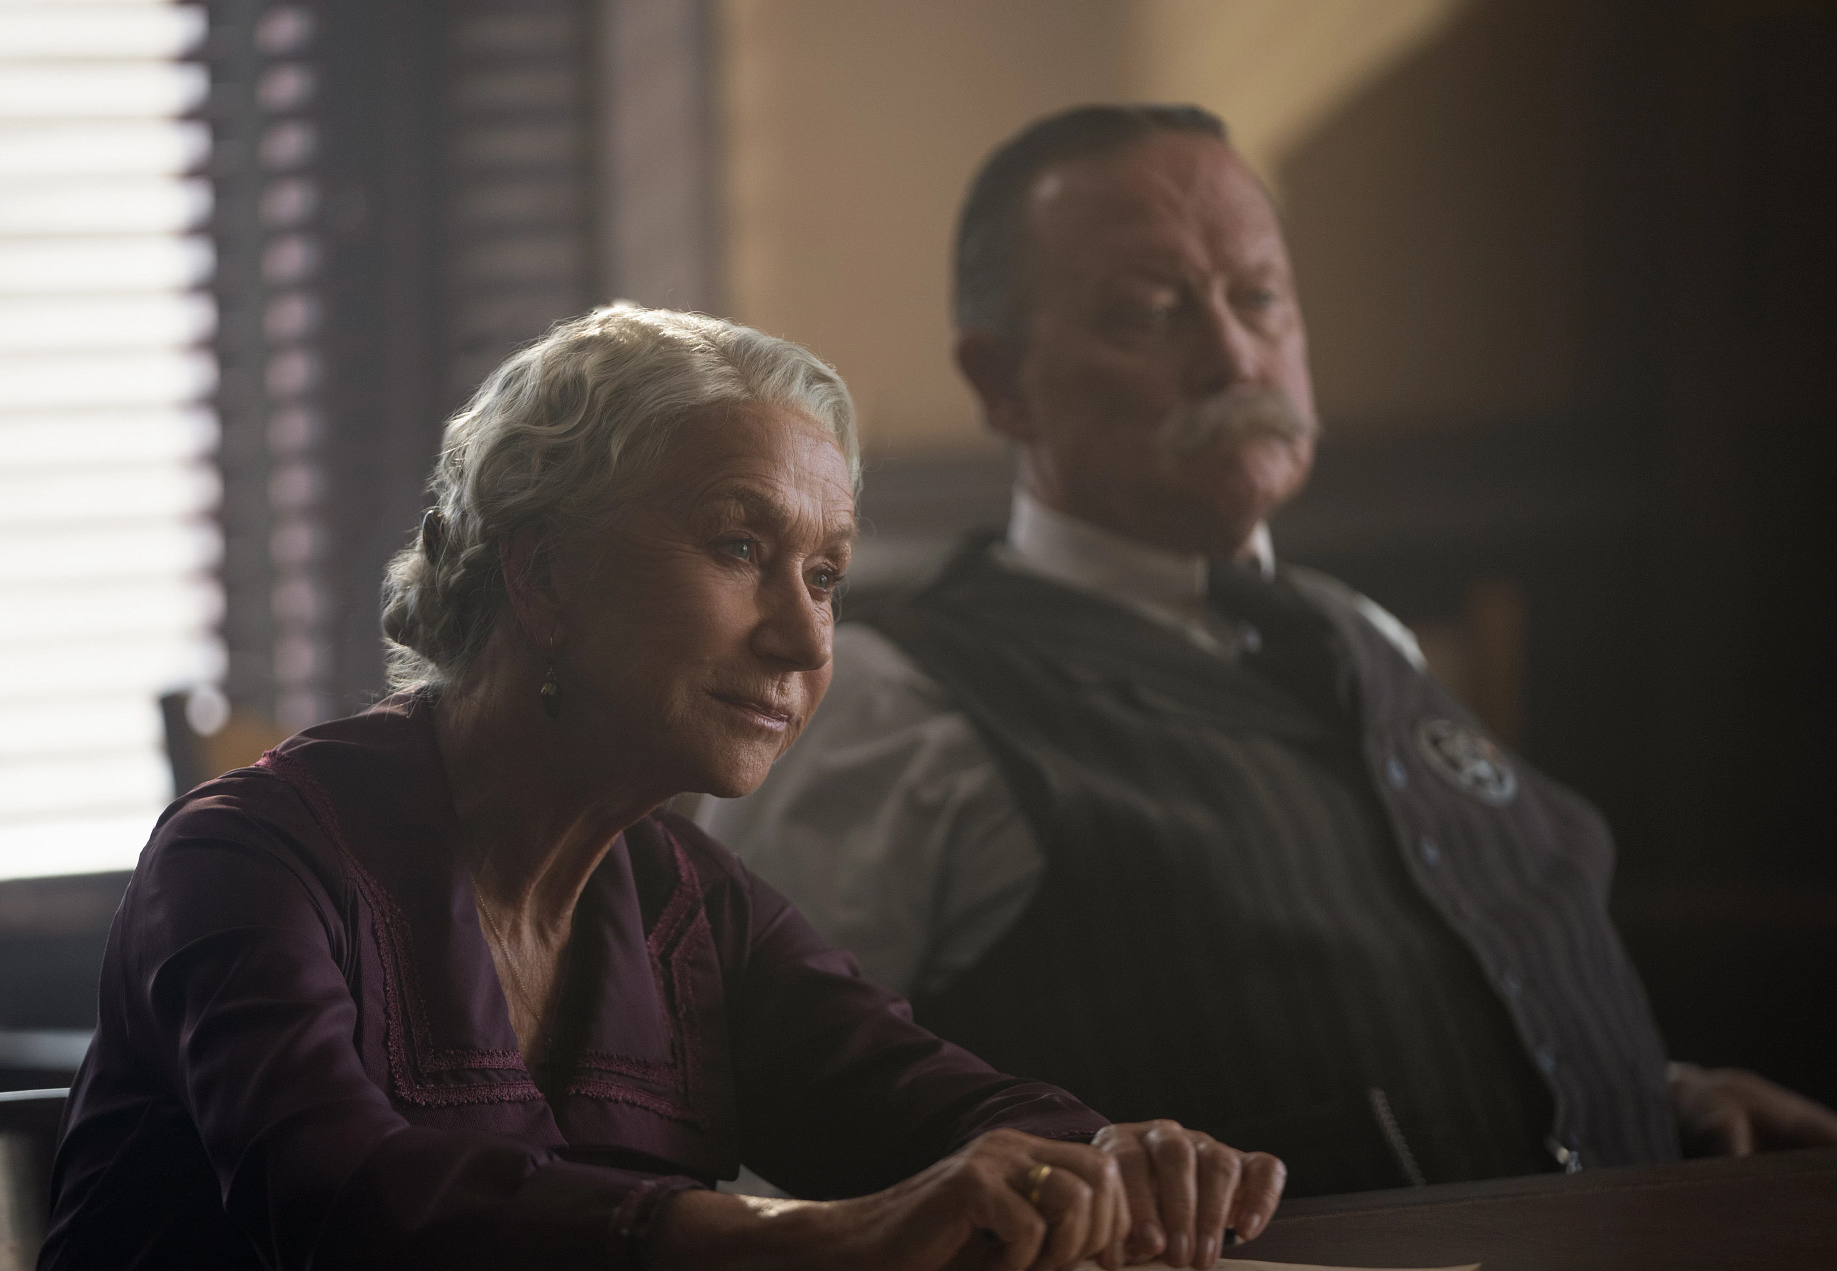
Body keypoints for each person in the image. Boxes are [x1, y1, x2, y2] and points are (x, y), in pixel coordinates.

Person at [29, 305, 1287, 1271]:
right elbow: (344, 1214)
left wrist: (1103, 1160)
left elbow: (922, 1102)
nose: (802, 638)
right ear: (542, 577)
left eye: (825, 575)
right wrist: (810, 1233)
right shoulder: (248, 857)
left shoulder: (688, 899)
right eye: (739, 546)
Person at [699, 106, 1837, 1197]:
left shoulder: (1363, 636)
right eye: (1150, 312)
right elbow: (775, 1128)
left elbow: (1426, 979)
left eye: (1259, 299)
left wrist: (1646, 1094)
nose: (1232, 356)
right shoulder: (886, 703)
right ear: (1002, 381)